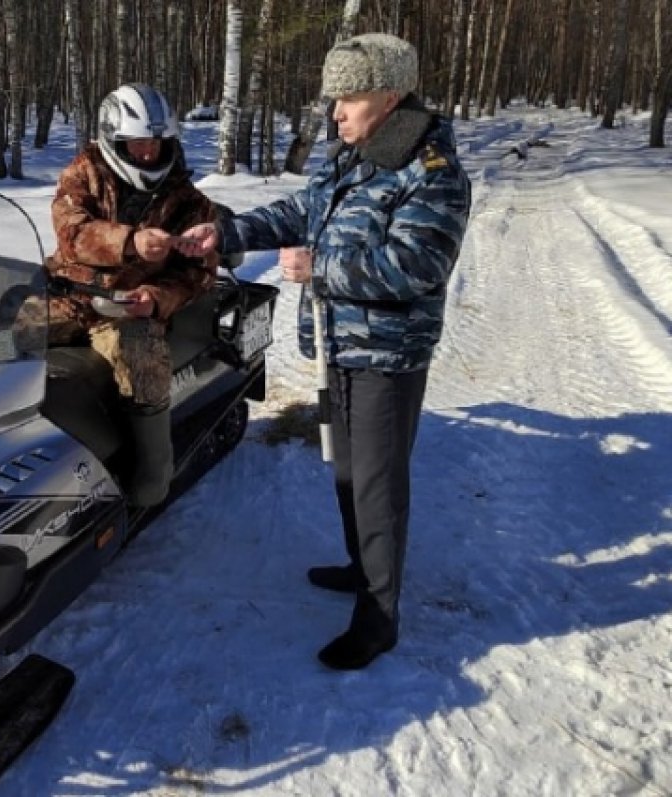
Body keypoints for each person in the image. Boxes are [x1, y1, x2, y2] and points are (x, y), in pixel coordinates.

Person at [178, 33, 472, 669]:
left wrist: (321, 267)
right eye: (333, 99)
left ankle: (379, 615)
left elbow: (417, 264)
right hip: (337, 345)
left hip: (387, 355)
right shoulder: (353, 155)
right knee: (346, 469)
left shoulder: (432, 174)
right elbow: (301, 209)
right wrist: (225, 233)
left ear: (390, 99)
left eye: (349, 98)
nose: (334, 112)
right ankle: (359, 566)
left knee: (376, 482)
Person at [45, 83, 218, 507]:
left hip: (125, 308)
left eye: (156, 142)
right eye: (138, 142)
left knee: (141, 357)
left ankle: (152, 475)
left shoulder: (189, 202)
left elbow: (198, 273)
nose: (147, 152)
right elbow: (70, 232)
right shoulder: (83, 172)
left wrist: (155, 296)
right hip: (70, 291)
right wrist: (129, 242)